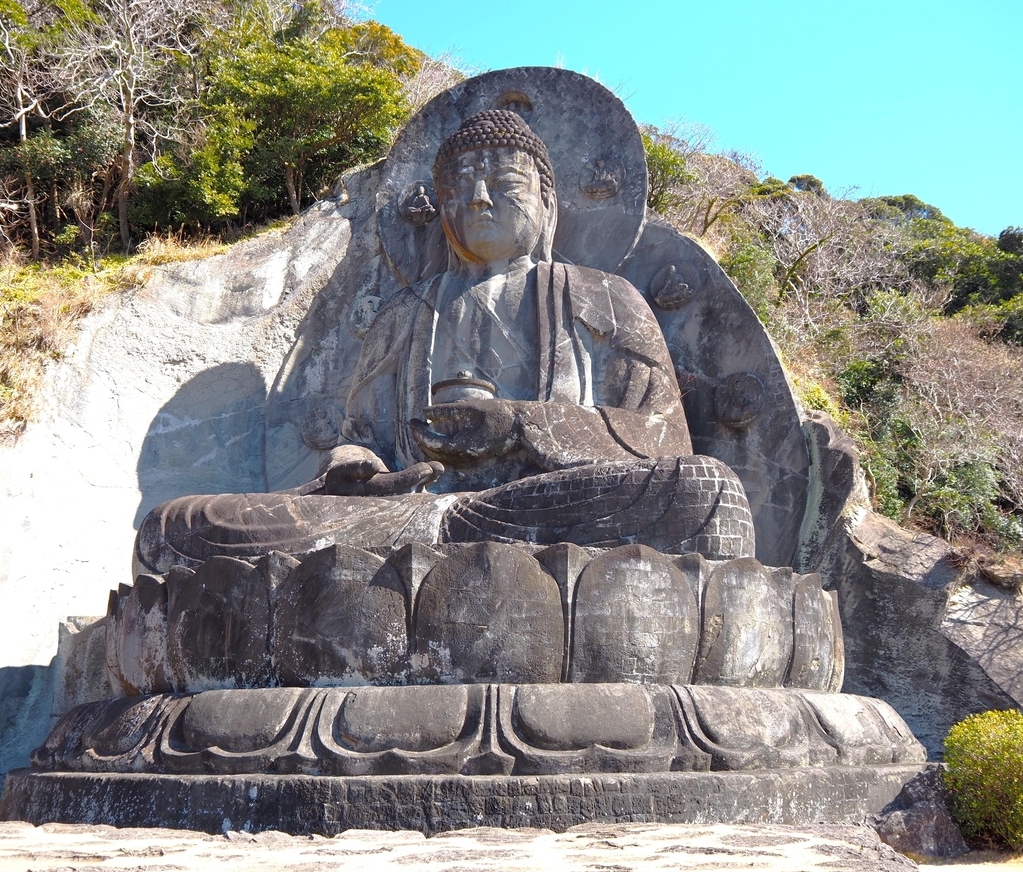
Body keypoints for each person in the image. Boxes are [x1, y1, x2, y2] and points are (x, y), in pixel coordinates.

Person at [135, 111, 754, 576]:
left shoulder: (605, 297)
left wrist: (519, 428)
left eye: (502, 183)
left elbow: (662, 441)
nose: (478, 199)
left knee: (704, 492)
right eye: (458, 188)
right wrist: (357, 467)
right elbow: (366, 441)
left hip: (547, 510)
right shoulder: (405, 314)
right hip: (409, 517)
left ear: (547, 201)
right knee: (178, 527)